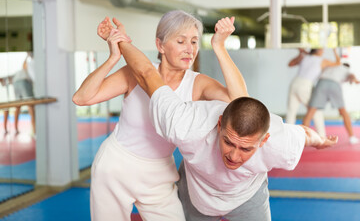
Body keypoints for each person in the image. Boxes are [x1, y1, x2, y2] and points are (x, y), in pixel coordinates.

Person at [111, 20, 338, 220]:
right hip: (197, 194)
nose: (234, 155)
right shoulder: (187, 124)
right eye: (229, 142)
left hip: (247, 196)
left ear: (264, 140)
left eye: (246, 148)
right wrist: (122, 41)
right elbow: (147, 74)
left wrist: (319, 140)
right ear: (219, 124)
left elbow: (304, 133)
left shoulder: (278, 141)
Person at [73, 10, 247, 221]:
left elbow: (241, 101)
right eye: (181, 41)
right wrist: (113, 57)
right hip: (115, 167)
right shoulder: (135, 73)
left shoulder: (198, 83)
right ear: (160, 45)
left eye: (194, 42)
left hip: (160, 174)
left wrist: (219, 46)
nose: (189, 49)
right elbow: (82, 98)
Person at [286, 48, 341, 137]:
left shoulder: (305, 57)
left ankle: (287, 136)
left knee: (291, 112)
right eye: (322, 50)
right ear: (318, 50)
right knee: (316, 110)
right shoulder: (322, 60)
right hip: (305, 85)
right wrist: (335, 51)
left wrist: (300, 54)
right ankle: (322, 137)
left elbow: (290, 64)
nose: (323, 51)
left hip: (294, 83)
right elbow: (338, 63)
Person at [303, 63, 360, 145]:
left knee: (311, 111)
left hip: (321, 83)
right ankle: (351, 137)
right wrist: (354, 80)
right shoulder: (346, 69)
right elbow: (351, 75)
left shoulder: (331, 66)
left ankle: (304, 137)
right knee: (343, 112)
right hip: (334, 84)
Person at [2, 52, 35, 134]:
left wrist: (27, 56)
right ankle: (34, 130)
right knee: (30, 105)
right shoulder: (26, 69)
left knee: (18, 106)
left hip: (16, 82)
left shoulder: (22, 71)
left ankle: (16, 128)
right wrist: (28, 56)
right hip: (23, 81)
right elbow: (25, 64)